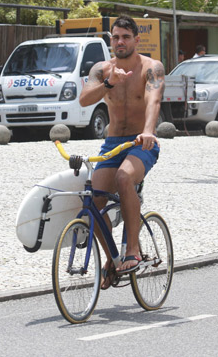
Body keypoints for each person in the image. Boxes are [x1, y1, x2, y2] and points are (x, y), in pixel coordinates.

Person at [79, 15, 164, 289]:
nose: (120, 42)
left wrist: (149, 131)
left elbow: (153, 100)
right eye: (115, 37)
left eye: (126, 37)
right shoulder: (102, 70)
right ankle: (113, 259)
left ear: (137, 40)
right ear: (110, 39)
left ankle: (133, 249)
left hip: (142, 142)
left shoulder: (152, 68)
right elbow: (83, 100)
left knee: (125, 178)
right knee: (94, 205)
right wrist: (109, 84)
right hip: (113, 143)